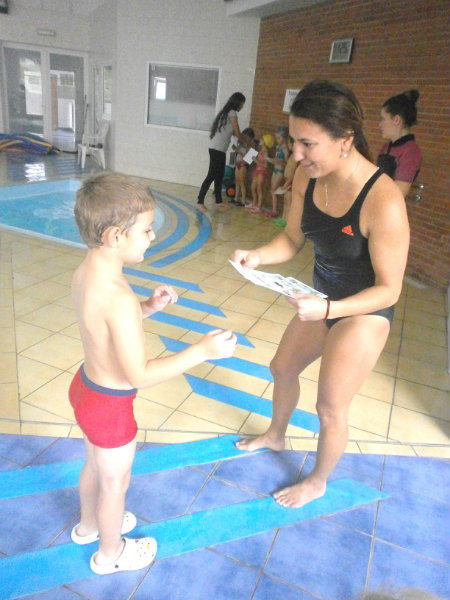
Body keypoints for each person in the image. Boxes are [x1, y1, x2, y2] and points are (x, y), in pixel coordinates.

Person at [232, 80, 409, 509]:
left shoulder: (383, 200)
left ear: (345, 139)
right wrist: (258, 255)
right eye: (294, 141)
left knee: (329, 406)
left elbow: (390, 290)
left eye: (307, 144)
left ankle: (317, 481)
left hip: (363, 311)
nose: (296, 154)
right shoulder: (306, 177)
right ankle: (275, 435)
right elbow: (292, 239)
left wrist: (330, 308)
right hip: (321, 299)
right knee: (281, 367)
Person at [70, 172, 237, 574]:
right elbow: (140, 375)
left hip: (85, 389)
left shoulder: (86, 273)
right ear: (115, 236)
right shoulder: (119, 298)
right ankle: (110, 554)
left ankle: (88, 526)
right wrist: (201, 351)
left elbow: (106, 328)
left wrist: (148, 307)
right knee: (115, 485)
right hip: (110, 408)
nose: (152, 236)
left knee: (93, 465)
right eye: (146, 230)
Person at [197, 92, 246, 212]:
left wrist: (242, 139)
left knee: (219, 175)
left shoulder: (226, 113)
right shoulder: (232, 113)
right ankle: (200, 201)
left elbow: (232, 133)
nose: (242, 106)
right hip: (217, 149)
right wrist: (247, 142)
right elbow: (237, 133)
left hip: (219, 149)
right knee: (212, 175)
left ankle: (218, 201)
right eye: (242, 104)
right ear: (238, 103)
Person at [377, 90, 422, 197]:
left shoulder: (411, 152)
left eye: (383, 119)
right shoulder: (386, 147)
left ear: (397, 120)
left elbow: (398, 193)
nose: (380, 125)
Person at [273, 135, 298, 228]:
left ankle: (287, 221)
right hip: (287, 181)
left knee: (288, 202)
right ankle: (283, 218)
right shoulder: (292, 155)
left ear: (294, 144)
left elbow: (292, 172)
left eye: (289, 143)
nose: (288, 145)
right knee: (285, 201)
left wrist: (287, 184)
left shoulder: (295, 158)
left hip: (290, 182)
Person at [248, 133, 275, 213]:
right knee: (253, 187)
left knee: (259, 189)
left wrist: (256, 161)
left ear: (265, 142)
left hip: (262, 171)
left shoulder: (265, 152)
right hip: (257, 170)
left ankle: (259, 207)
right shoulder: (261, 150)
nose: (260, 140)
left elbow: (265, 165)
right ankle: (254, 203)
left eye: (262, 140)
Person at [267, 125, 289, 218]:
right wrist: (271, 160)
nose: (277, 140)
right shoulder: (278, 147)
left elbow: (287, 164)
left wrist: (280, 162)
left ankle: (275, 211)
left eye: (279, 138)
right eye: (276, 138)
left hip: (280, 171)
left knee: (273, 190)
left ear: (284, 138)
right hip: (275, 170)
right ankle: (273, 209)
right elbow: (275, 159)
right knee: (272, 190)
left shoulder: (285, 149)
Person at [232, 127, 256, 206]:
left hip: (243, 165)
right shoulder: (242, 143)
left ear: (250, 137)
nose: (244, 139)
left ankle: (243, 201)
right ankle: (236, 198)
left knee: (242, 182)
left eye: (246, 137)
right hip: (238, 163)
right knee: (237, 181)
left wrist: (238, 150)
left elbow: (248, 159)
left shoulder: (252, 146)